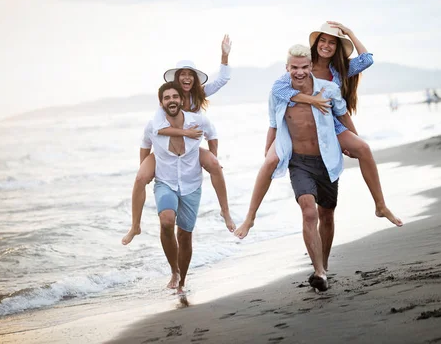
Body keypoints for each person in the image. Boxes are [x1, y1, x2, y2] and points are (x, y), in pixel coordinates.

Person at [234, 22, 401, 241]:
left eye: (332, 42)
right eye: (323, 40)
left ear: (338, 47)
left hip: (331, 123)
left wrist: (349, 33)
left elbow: (367, 59)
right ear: (316, 43)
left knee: (363, 148)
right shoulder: (303, 66)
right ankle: (250, 217)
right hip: (301, 129)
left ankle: (380, 206)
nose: (326, 45)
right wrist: (311, 99)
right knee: (270, 161)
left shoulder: (340, 69)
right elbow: (279, 90)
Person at [122, 35, 235, 246]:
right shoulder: (169, 99)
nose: (186, 78)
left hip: (190, 149)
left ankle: (225, 212)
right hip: (164, 151)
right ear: (176, 79)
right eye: (182, 74)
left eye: (189, 75)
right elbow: (157, 130)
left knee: (214, 165)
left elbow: (222, 81)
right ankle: (135, 226)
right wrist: (184, 134)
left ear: (194, 78)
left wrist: (224, 55)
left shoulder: (199, 94)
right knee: (140, 178)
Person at [263, 44, 347, 291]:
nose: (299, 72)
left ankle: (324, 265)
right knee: (308, 211)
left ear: (311, 67)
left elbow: (341, 116)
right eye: (294, 68)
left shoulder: (329, 89)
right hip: (298, 162)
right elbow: (273, 125)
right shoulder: (278, 93)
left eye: (303, 67)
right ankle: (319, 271)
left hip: (327, 160)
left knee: (327, 214)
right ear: (287, 68)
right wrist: (268, 152)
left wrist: (354, 140)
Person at [128, 82, 218, 295]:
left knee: (185, 235)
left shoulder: (195, 120)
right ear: (161, 102)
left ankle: (182, 281)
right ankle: (174, 271)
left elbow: (212, 134)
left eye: (174, 96)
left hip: (190, 183)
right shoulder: (154, 123)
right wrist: (146, 170)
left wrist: (214, 156)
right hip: (165, 181)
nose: (171, 100)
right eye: (166, 97)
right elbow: (145, 144)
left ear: (181, 99)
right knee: (167, 221)